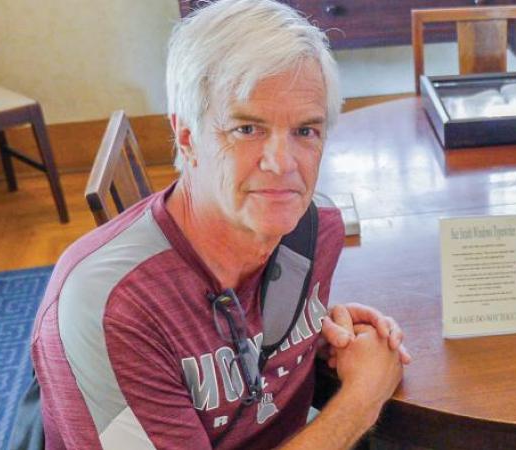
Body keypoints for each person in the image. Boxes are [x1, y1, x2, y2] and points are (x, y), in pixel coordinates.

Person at [30, 0, 409, 448]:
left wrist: (314, 334)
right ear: (187, 137)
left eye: (305, 131)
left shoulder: (315, 230)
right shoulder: (110, 311)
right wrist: (364, 395)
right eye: (247, 129)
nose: (282, 164)